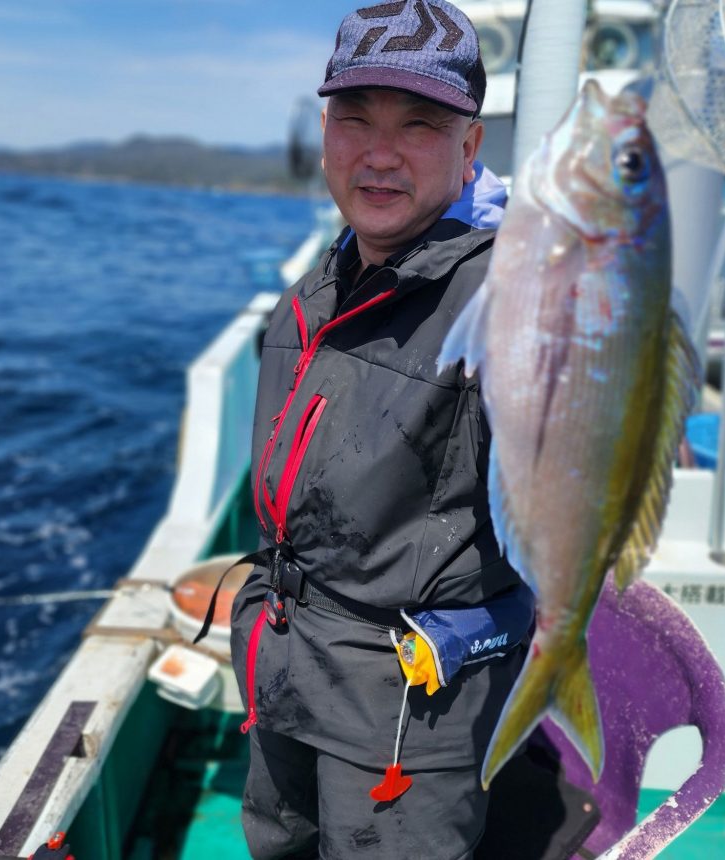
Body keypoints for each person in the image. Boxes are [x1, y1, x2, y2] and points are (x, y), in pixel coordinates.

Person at [229, 2, 530, 857]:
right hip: (284, 664)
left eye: (420, 125)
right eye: (355, 119)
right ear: (326, 134)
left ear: (470, 148)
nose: (381, 153)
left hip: (407, 712)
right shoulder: (324, 280)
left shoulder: (509, 295)